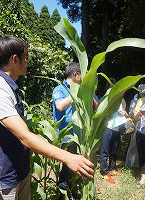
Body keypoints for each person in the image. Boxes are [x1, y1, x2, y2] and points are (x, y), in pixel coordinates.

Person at [0, 36, 94, 200]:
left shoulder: (10, 86)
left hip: (19, 171)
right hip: (5, 179)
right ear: (14, 59)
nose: (27, 62)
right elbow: (24, 136)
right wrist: (67, 157)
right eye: (25, 57)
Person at [52, 62, 82, 194]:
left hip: (78, 133)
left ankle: (72, 188)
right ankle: (62, 191)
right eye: (82, 76)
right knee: (67, 165)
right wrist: (75, 93)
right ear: (75, 74)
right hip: (65, 135)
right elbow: (60, 106)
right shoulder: (59, 89)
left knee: (76, 163)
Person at [100, 98, 128, 183]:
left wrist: (125, 113)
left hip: (117, 128)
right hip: (108, 128)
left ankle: (112, 168)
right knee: (105, 150)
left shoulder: (122, 100)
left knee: (114, 150)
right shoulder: (108, 98)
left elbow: (125, 114)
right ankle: (104, 172)